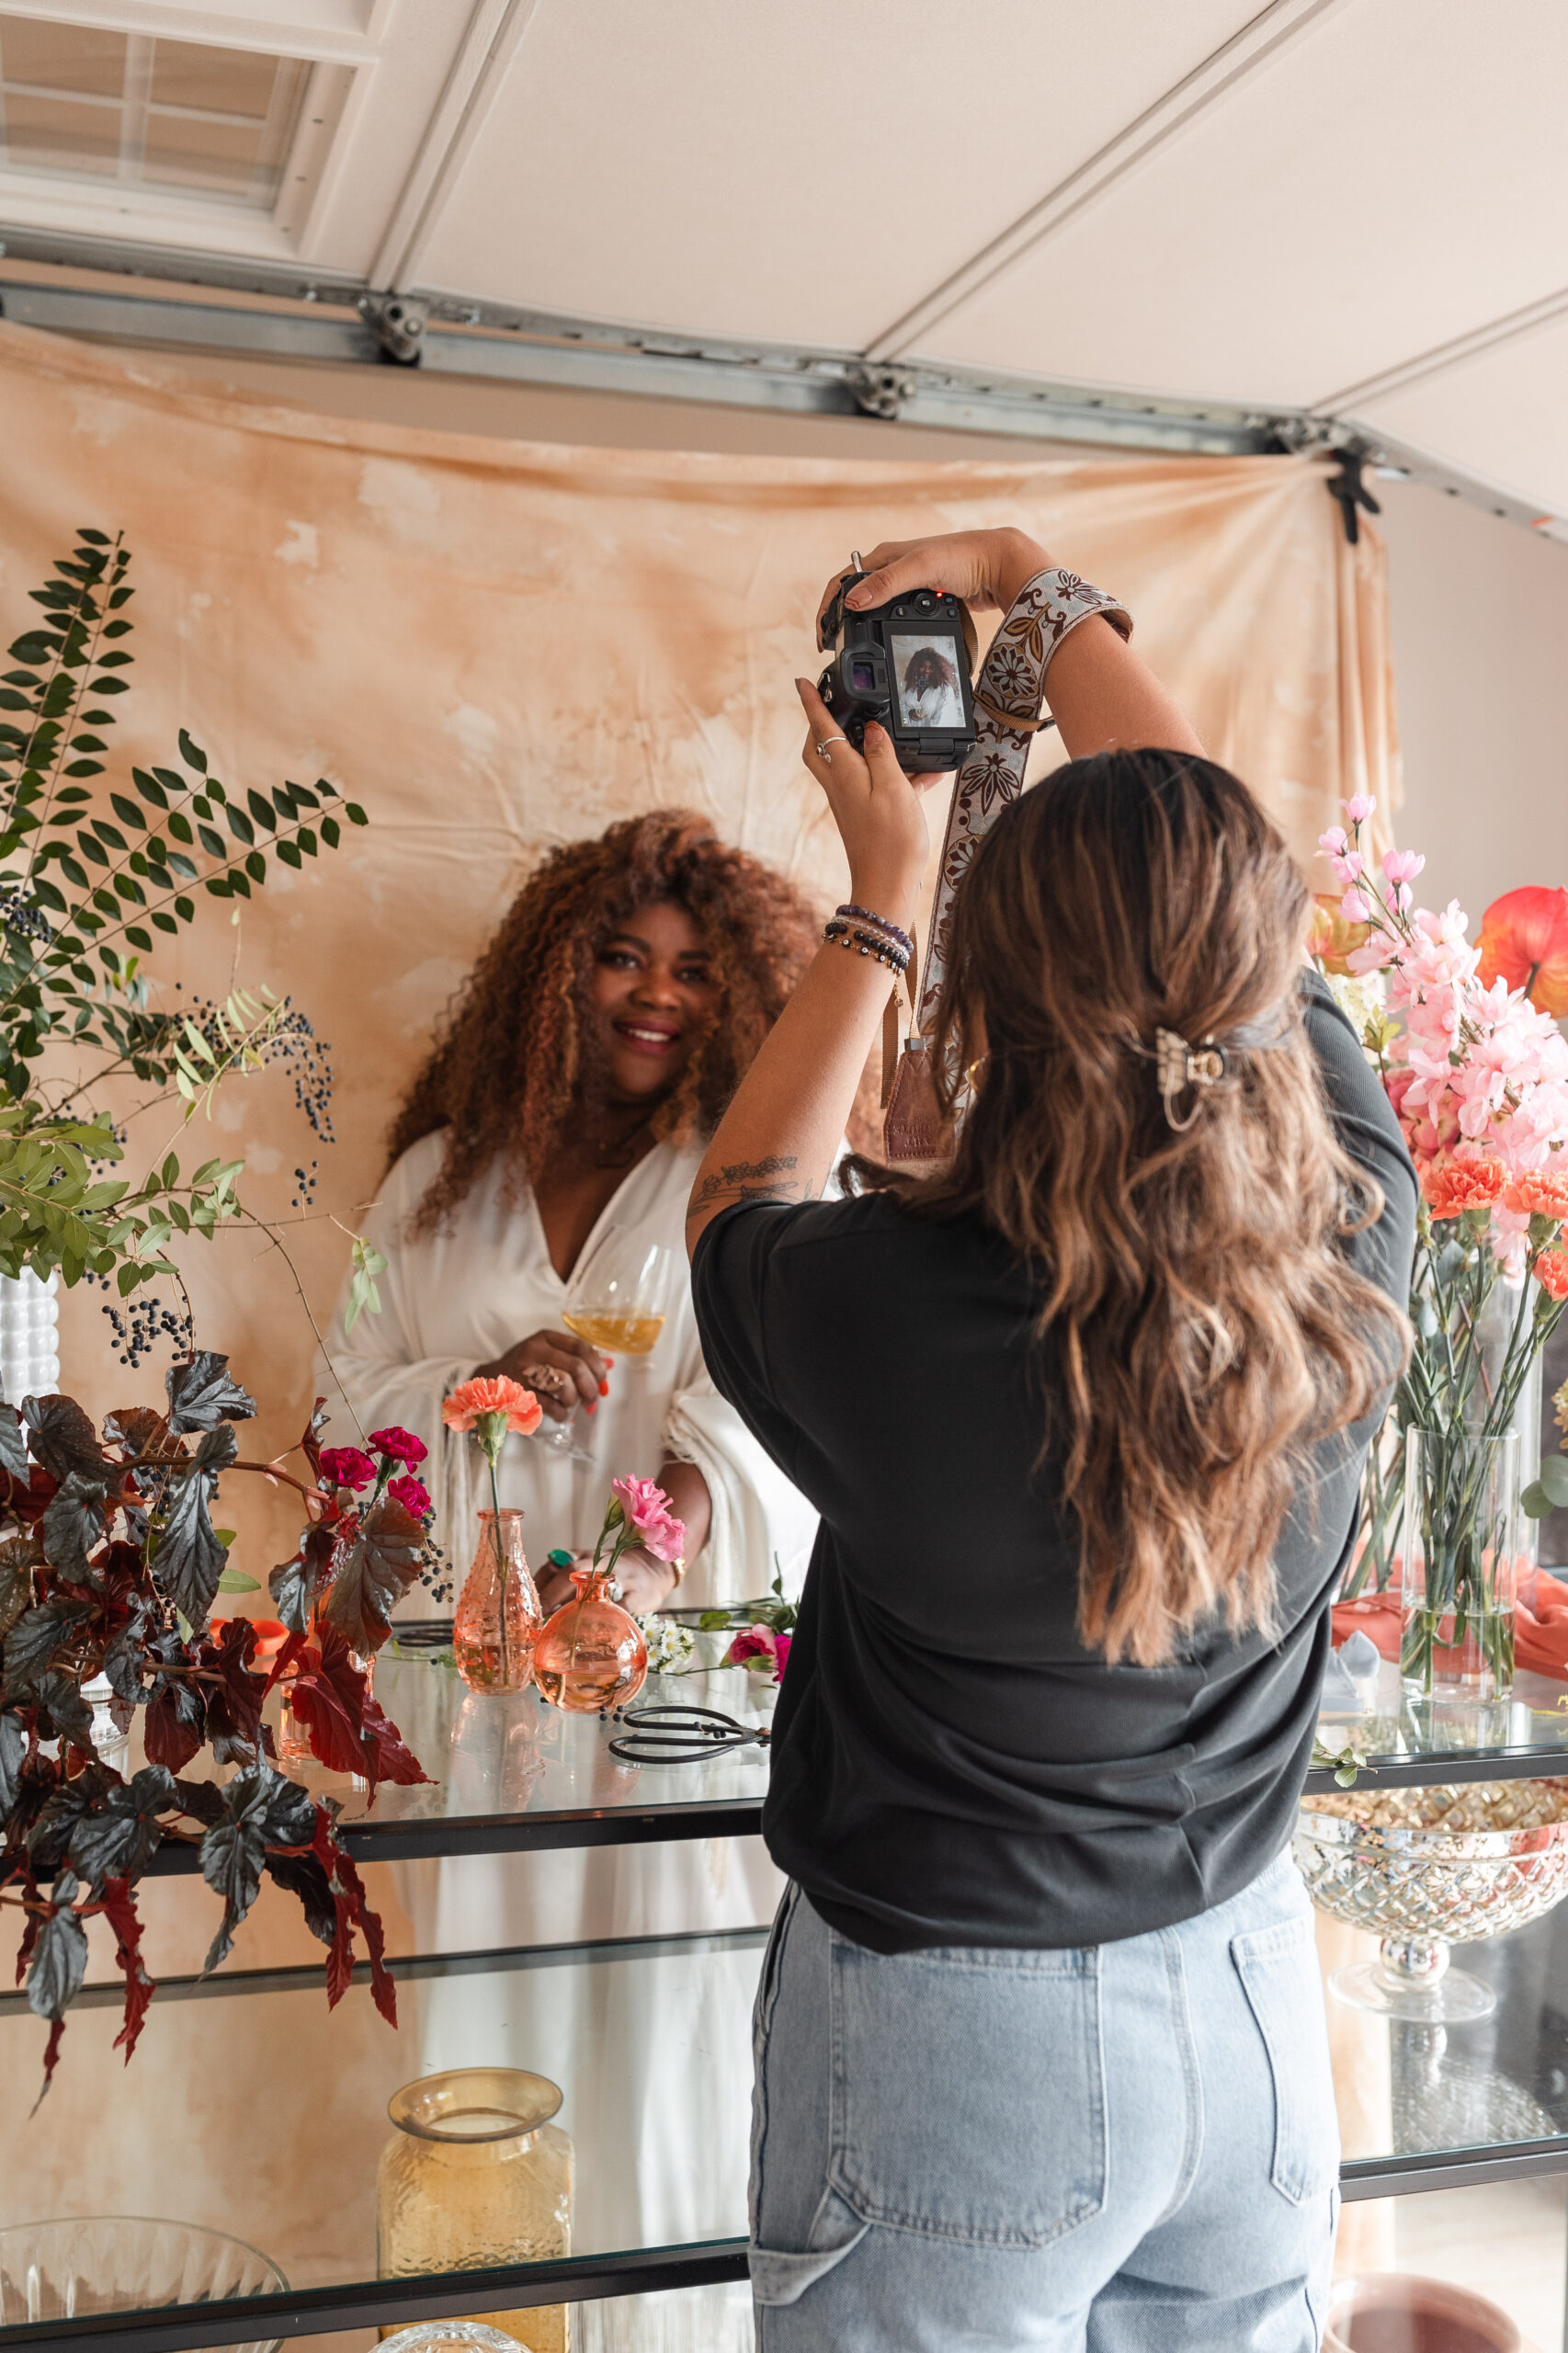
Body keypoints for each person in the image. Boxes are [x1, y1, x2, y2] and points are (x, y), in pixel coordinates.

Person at [687, 526, 1415, 2351]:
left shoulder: (883, 1310)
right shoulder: (1353, 1249)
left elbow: (734, 1189)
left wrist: (879, 884)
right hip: (1253, 2006)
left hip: (959, 2046)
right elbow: (1224, 874)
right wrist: (1036, 583)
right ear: (1260, 983)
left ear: (981, 1006)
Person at [321, 810, 823, 2353]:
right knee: (486, 2033)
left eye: (685, 968)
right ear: (556, 974)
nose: (652, 994)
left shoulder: (737, 1182)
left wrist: (644, 1557)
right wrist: (473, 1386)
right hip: (466, 1704)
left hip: (664, 1694)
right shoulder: (431, 1186)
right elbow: (343, 1406)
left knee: (667, 2035)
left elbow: (774, 1409)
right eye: (619, 956)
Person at [897, 640, 963, 728]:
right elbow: (899, 709)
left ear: (938, 669)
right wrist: (909, 713)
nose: (926, 671)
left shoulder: (945, 690)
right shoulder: (909, 686)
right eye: (922, 666)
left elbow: (940, 723)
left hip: (931, 739)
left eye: (931, 667)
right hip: (906, 736)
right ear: (916, 667)